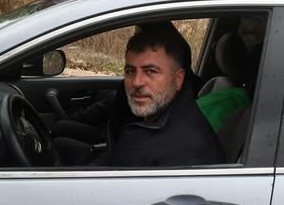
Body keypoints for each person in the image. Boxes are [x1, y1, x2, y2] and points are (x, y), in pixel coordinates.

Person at [56, 22, 224, 168]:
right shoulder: (166, 116)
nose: (137, 82)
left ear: (178, 79)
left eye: (151, 71)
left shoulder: (180, 149)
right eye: (130, 71)